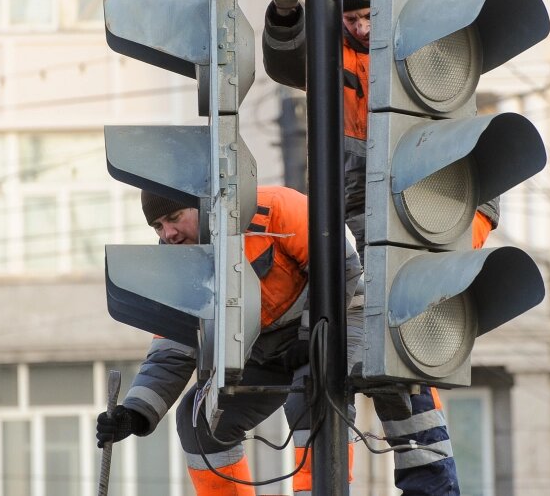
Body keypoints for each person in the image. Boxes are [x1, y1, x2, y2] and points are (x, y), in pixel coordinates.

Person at [262, 0, 499, 496]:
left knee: (401, 334)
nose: (363, 28)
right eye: (353, 20)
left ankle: (432, 482)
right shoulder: (331, 52)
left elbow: (449, 29)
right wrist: (284, 13)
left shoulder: (422, 38)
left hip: (449, 200)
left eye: (372, 15)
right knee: (383, 348)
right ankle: (426, 483)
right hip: (366, 211)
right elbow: (289, 61)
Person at [96, 185, 363, 496]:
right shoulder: (177, 268)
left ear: (202, 205)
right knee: (199, 419)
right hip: (265, 347)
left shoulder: (274, 207)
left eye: (174, 217)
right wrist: (135, 413)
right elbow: (172, 350)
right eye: (158, 226)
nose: (168, 233)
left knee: (312, 390)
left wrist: (312, 331)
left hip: (338, 315)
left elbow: (340, 263)